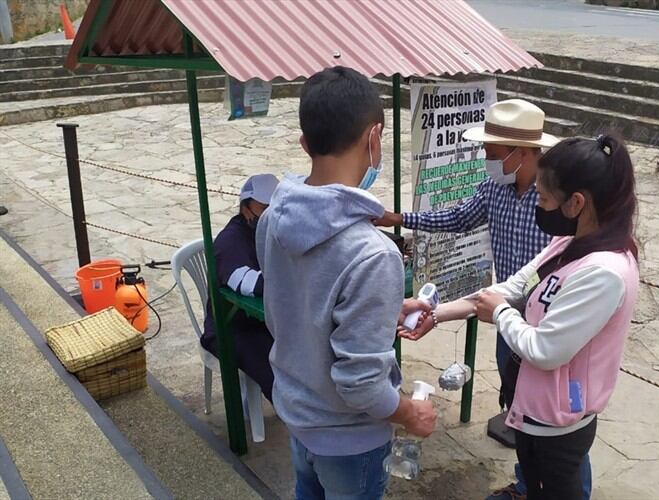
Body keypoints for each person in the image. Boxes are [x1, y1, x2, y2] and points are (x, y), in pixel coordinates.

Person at [375, 99, 594, 500]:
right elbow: (458, 218)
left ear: (523, 153)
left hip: (550, 325)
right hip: (506, 316)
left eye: (493, 155)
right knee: (518, 407)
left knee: (560, 425)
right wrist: (402, 219)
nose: (487, 162)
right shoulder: (494, 188)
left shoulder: (556, 203)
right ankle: (528, 485)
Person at [401, 135, 639, 500]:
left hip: (558, 423)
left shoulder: (604, 273)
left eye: (544, 199)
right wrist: (437, 312)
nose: (539, 206)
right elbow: (514, 285)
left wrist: (499, 313)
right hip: (533, 409)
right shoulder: (568, 243)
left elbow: (546, 349)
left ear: (576, 203)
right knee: (533, 483)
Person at [256, 66, 436, 500]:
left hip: (299, 417)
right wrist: (411, 413)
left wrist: (386, 307)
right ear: (374, 139)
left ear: (305, 143)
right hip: (350, 442)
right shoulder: (373, 253)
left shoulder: (270, 220)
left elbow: (300, 304)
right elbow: (360, 385)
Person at [201, 173, 278, 401]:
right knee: (279, 376)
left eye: (276, 209)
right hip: (232, 328)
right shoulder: (229, 242)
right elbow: (247, 283)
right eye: (264, 209)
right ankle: (303, 425)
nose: (270, 215)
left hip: (263, 321)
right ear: (246, 208)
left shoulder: (271, 233)